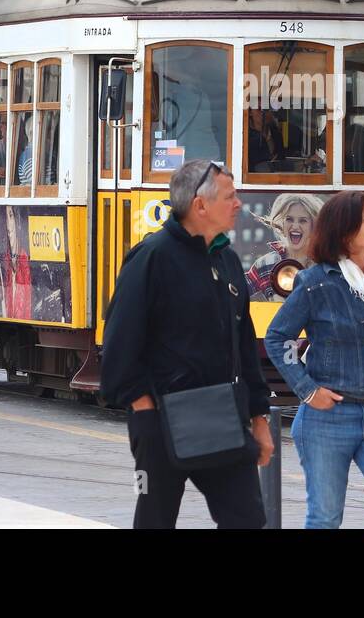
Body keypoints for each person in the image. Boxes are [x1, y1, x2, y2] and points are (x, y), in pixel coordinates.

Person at [99, 159, 274, 529]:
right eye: (230, 196)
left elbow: (244, 347)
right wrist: (143, 408)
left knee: (247, 520)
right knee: (155, 520)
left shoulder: (227, 260)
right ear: (200, 205)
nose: (239, 203)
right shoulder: (152, 258)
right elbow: (118, 343)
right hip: (161, 421)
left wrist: (259, 418)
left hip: (223, 419)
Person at [264, 190, 364, 529]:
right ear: (344, 232)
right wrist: (308, 390)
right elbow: (277, 337)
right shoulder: (316, 282)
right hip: (328, 417)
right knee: (326, 517)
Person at [246, 192, 325, 298]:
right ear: (282, 224)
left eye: (303, 221)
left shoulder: (324, 266)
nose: (295, 226)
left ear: (313, 226)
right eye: (289, 219)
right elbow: (237, 292)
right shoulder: (265, 264)